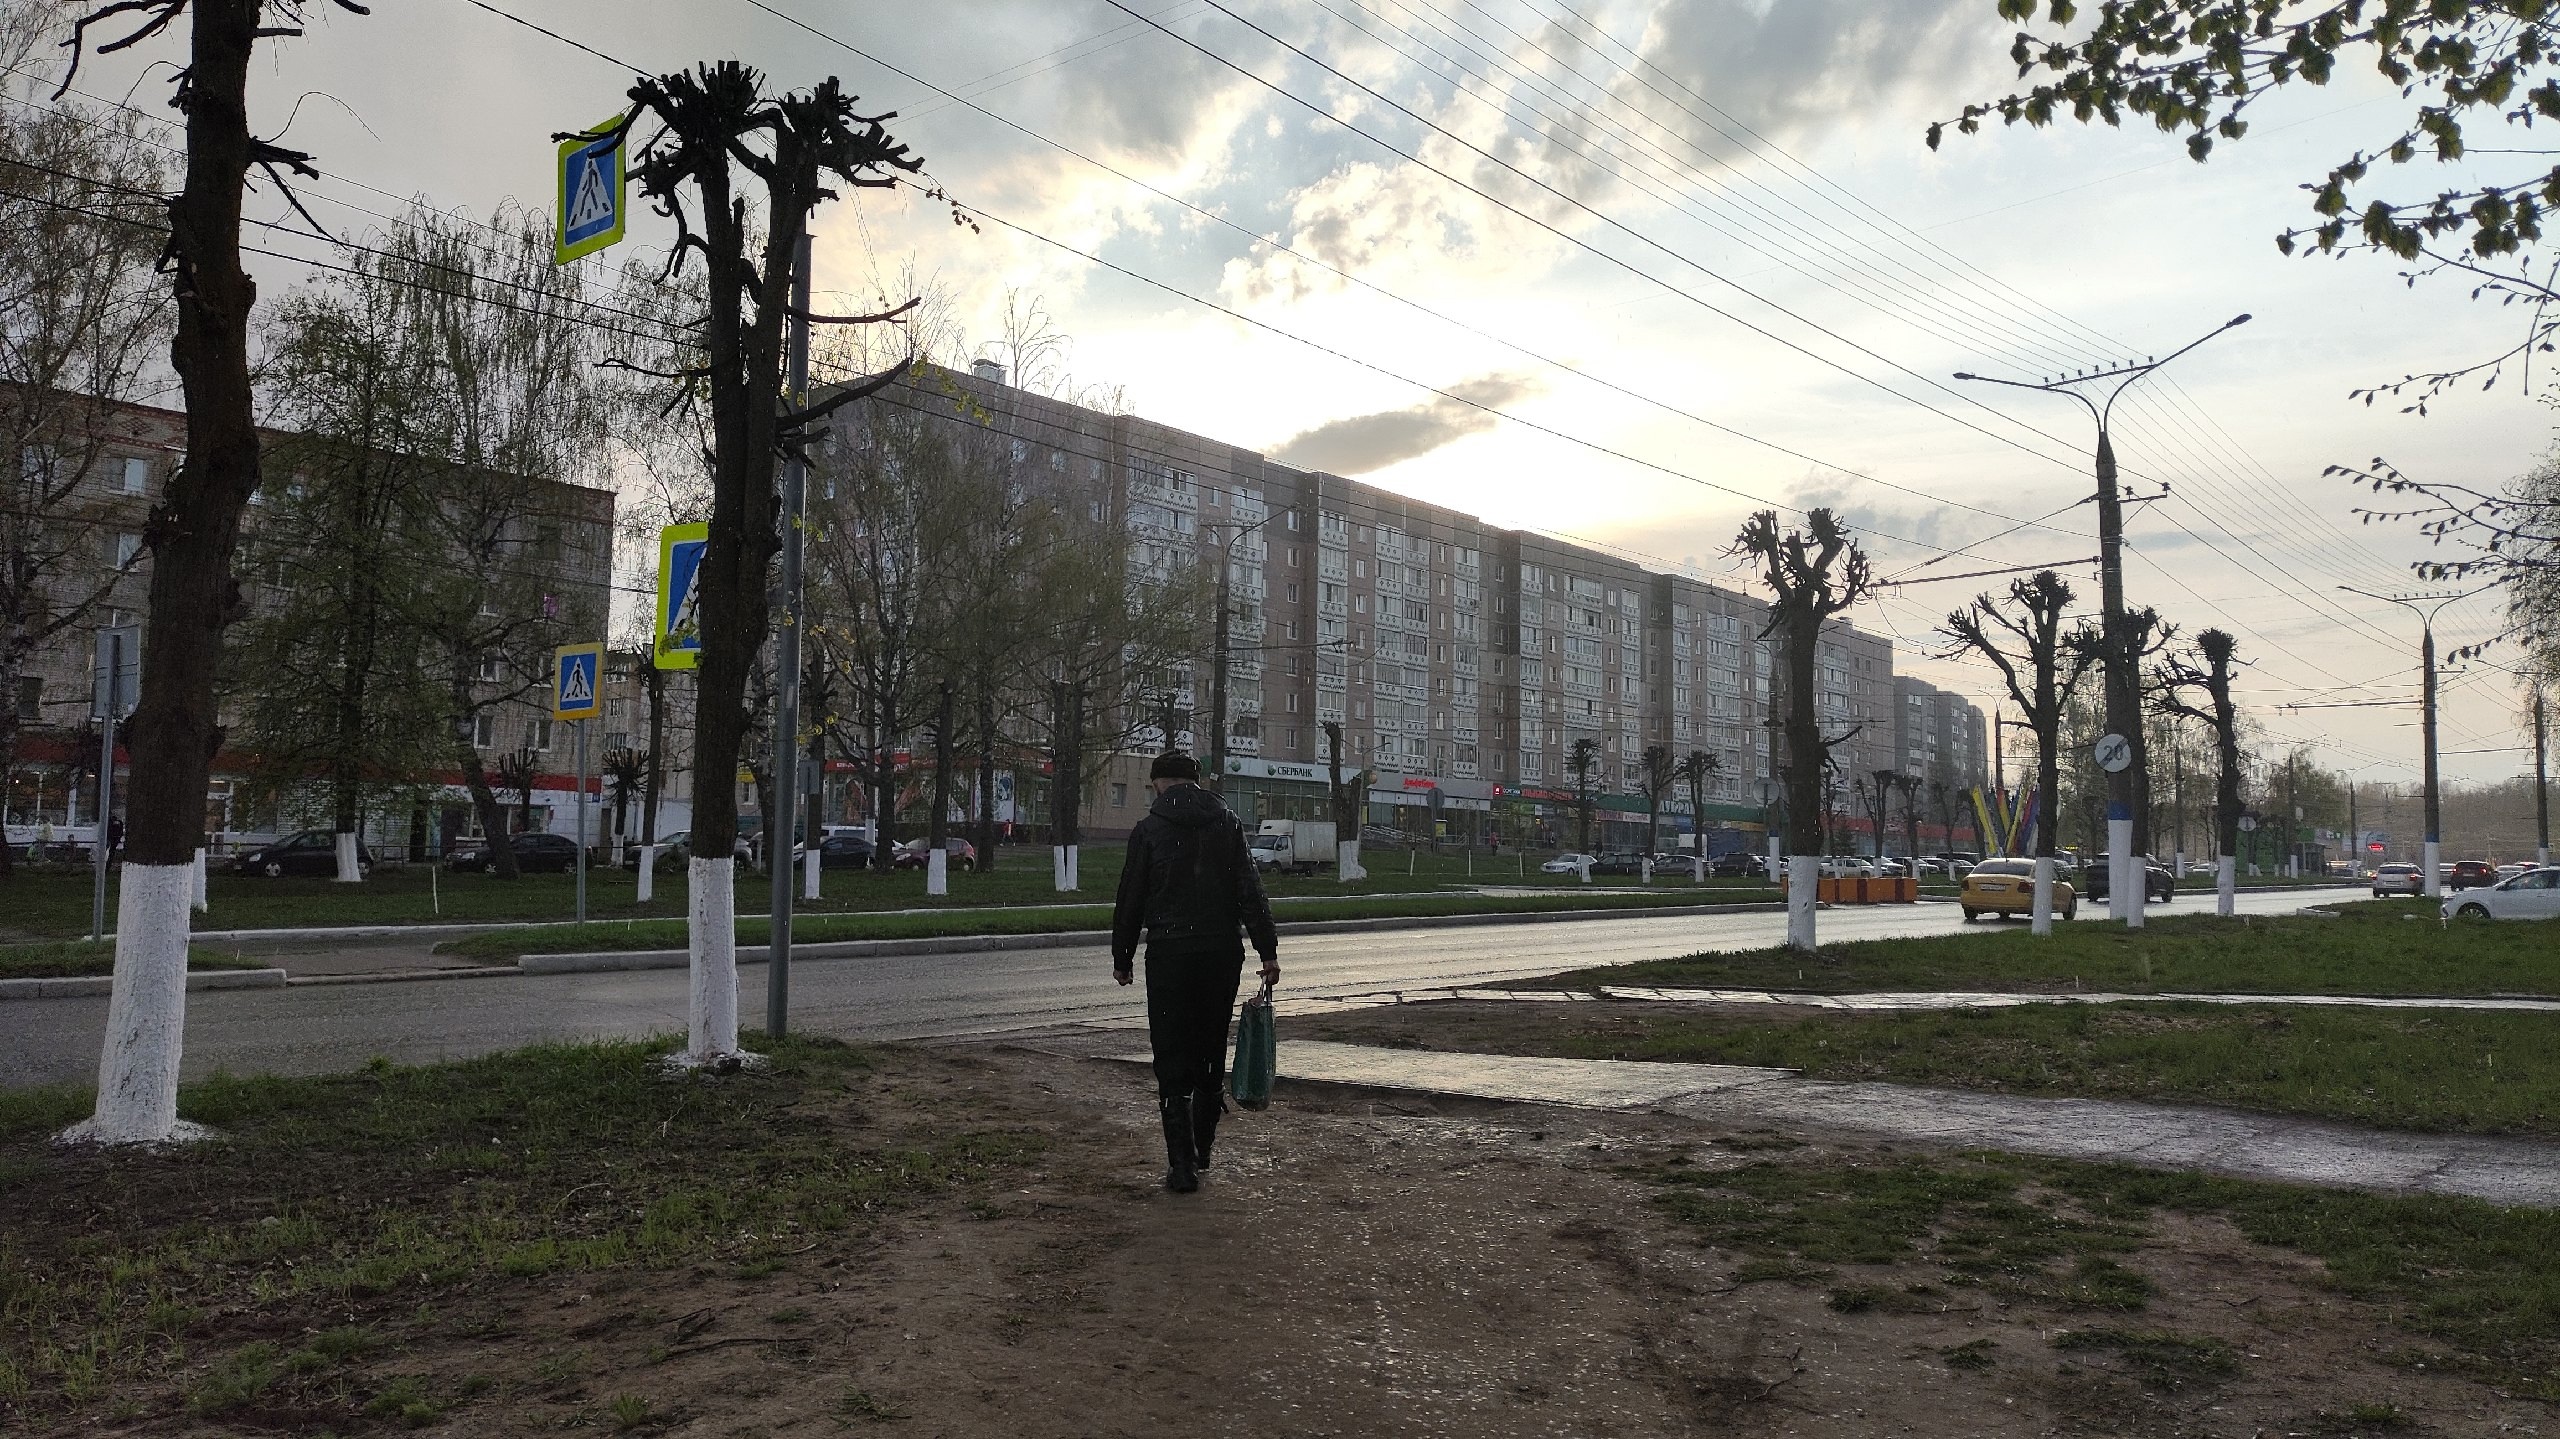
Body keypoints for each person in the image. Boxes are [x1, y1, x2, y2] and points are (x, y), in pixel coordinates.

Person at [1112, 750, 1280, 1194]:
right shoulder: (1227, 823)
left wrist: (1122, 957)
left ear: (1158, 783)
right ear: (1196, 782)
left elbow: (1131, 896)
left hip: (1169, 953)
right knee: (1209, 1046)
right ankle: (1203, 1150)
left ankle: (1181, 1166)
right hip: (1219, 953)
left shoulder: (1149, 830)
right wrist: (1267, 951)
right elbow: (1250, 889)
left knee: (1171, 1051)